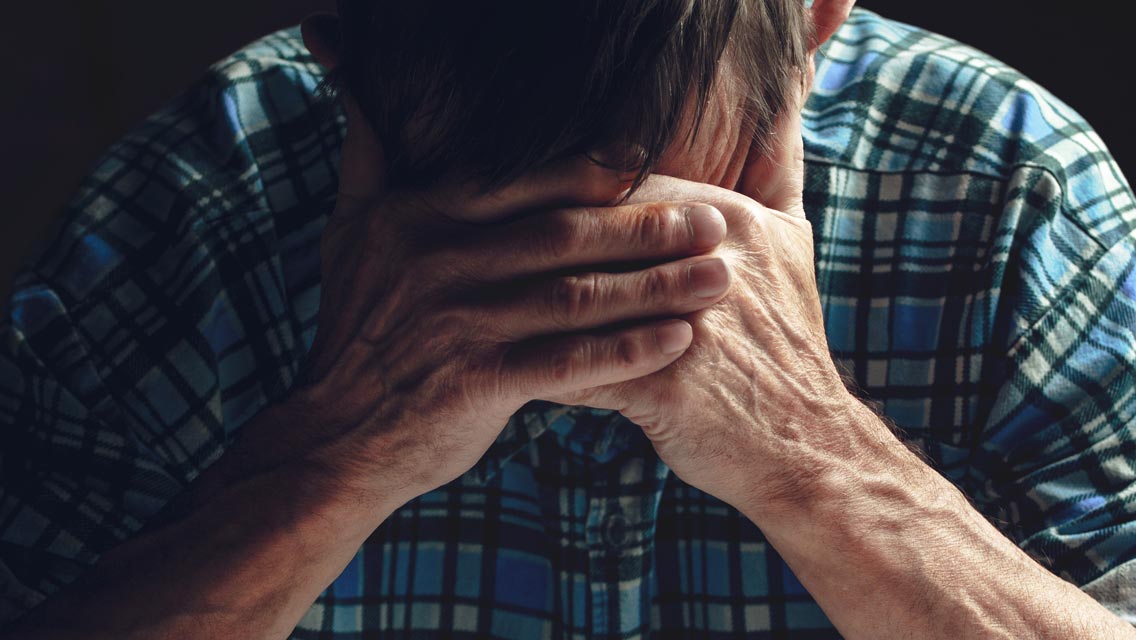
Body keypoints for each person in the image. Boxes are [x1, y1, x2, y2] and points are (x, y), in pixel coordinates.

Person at [1, 0, 1134, 637]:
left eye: (660, 201)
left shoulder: (1013, 199)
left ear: (812, 22)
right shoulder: (191, 210)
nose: (580, 284)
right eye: (497, 211)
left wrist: (817, 461)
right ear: (336, 47)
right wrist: (329, 465)